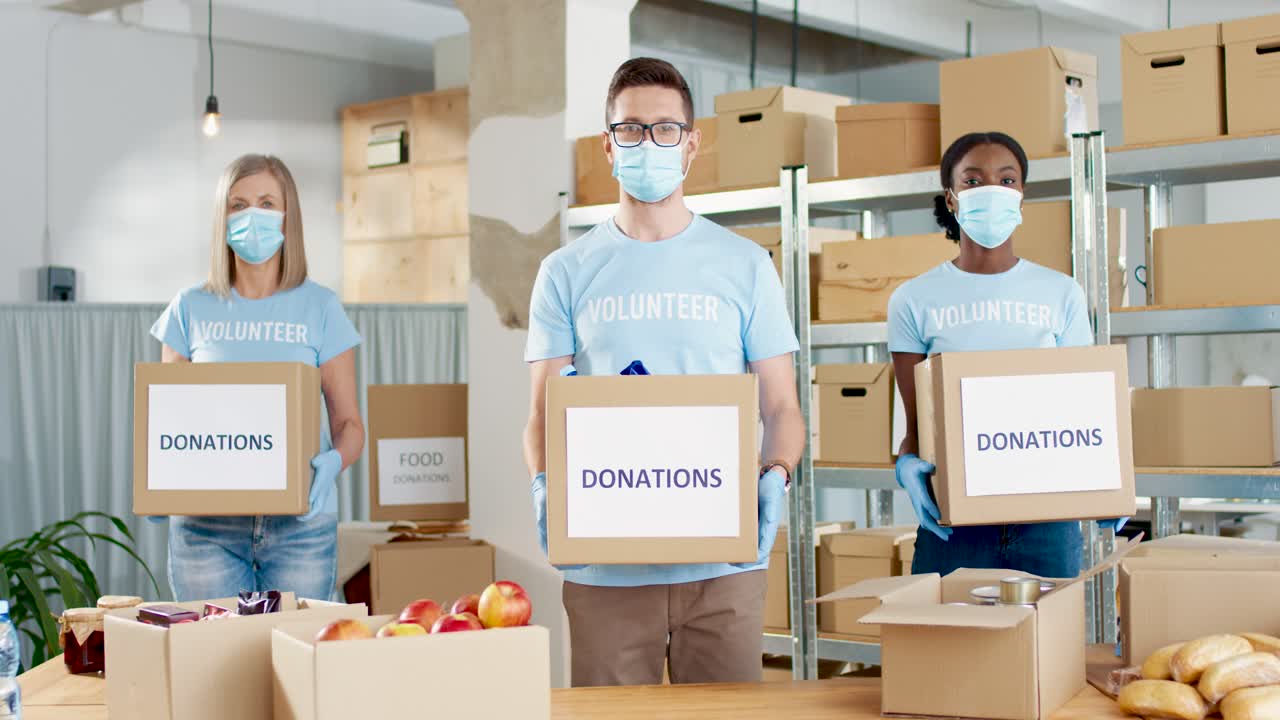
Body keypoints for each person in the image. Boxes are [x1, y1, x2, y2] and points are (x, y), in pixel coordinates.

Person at [522, 57, 805, 687]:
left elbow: (782, 407)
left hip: (720, 565)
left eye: (666, 129)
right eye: (631, 129)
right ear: (608, 143)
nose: (648, 143)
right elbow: (542, 415)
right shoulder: (566, 271)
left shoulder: (745, 265)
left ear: (692, 142)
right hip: (605, 569)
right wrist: (545, 486)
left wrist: (777, 474)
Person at [889, 132, 1125, 579]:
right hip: (955, 522)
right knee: (950, 646)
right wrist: (906, 467)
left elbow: (1086, 407)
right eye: (974, 180)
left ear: (1021, 195)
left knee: (1045, 646)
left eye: (1007, 179)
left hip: (1047, 523)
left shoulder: (1062, 294)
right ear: (952, 198)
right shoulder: (914, 299)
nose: (991, 190)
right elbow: (914, 425)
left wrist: (1105, 482)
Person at [150, 154, 365, 602]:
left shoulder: (321, 308)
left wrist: (334, 461)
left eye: (267, 203)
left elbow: (349, 425)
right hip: (205, 527)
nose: (253, 215)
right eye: (238, 204)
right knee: (213, 663)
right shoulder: (189, 309)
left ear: (289, 217)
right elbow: (167, 422)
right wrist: (157, 483)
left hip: (300, 525)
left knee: (295, 661)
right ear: (221, 218)